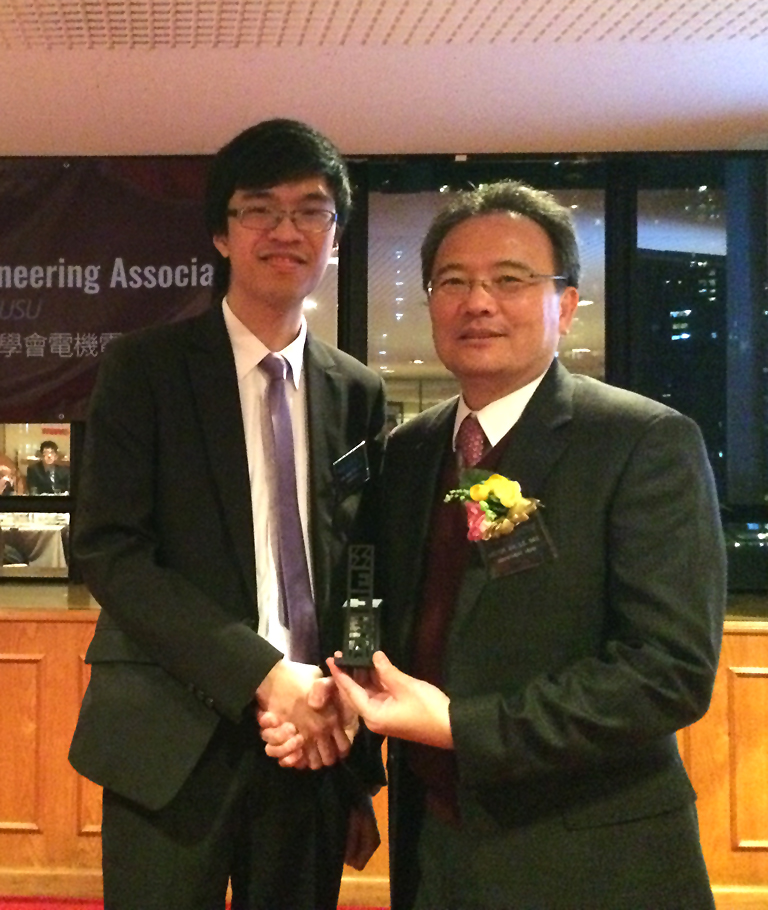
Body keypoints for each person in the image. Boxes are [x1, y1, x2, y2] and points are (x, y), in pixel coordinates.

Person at [313, 180, 726, 909]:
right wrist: (355, 767)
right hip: (432, 849)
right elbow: (394, 622)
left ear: (565, 305)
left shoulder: (640, 442)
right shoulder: (410, 453)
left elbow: (668, 671)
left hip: (589, 857)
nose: (478, 302)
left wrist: (459, 728)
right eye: (453, 281)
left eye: (510, 279)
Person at [68, 119, 387, 910]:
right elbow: (111, 552)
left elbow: (363, 568)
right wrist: (262, 677)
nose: (287, 230)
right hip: (171, 738)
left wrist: (356, 746)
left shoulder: (358, 392)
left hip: (311, 742)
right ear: (221, 232)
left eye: (311, 211)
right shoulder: (144, 369)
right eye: (260, 210)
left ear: (335, 235)